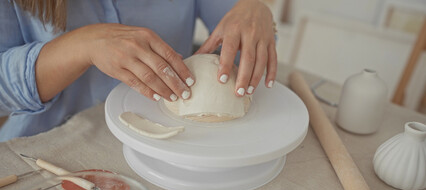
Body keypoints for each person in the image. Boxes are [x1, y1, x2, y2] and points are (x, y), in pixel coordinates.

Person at [0, 0, 277, 141]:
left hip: (172, 142)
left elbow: (240, 34)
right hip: (47, 147)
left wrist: (253, 8)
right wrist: (80, 46)